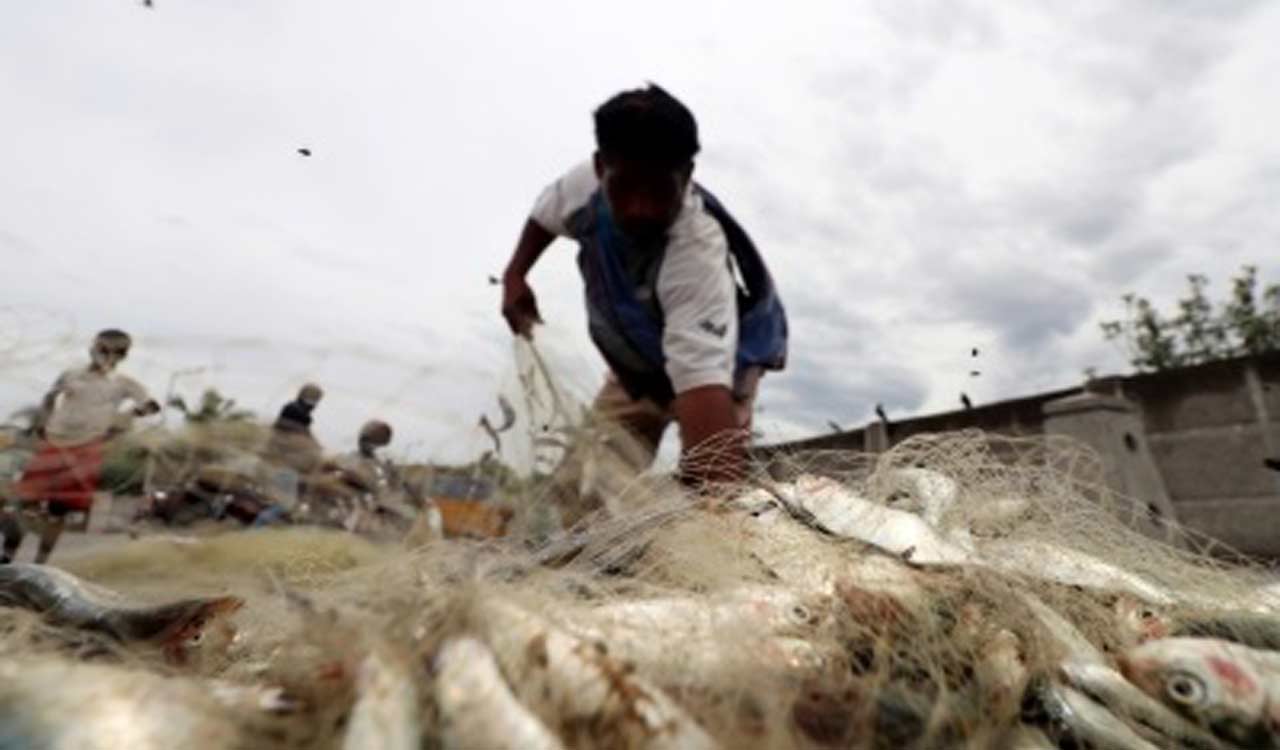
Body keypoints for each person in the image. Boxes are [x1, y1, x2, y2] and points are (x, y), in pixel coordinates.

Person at [500, 84, 787, 504]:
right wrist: (515, 275)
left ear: (687, 177)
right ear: (601, 169)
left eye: (658, 191)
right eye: (626, 189)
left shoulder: (695, 255)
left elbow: (701, 378)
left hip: (720, 366)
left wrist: (720, 515)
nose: (640, 208)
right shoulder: (583, 187)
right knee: (585, 488)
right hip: (639, 366)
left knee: (708, 486)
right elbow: (545, 214)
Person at [3, 329, 159, 563]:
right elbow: (50, 397)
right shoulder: (71, 374)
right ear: (93, 348)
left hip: (86, 447)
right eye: (103, 348)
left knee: (60, 509)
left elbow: (152, 406)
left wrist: (125, 418)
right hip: (55, 443)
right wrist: (42, 422)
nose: (107, 355)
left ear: (123, 356)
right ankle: (6, 558)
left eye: (116, 351)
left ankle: (40, 565)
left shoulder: (124, 384)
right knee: (25, 501)